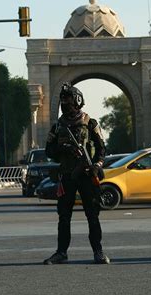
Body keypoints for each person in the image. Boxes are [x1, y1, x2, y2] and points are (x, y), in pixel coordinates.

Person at [43, 83, 109, 265]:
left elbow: (102, 149)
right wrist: (62, 149)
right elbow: (49, 151)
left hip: (87, 175)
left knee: (92, 215)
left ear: (78, 101)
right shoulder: (57, 127)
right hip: (67, 175)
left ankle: (98, 251)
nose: (65, 104)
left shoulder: (90, 123)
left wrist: (96, 165)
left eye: (69, 100)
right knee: (64, 216)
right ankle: (61, 252)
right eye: (63, 101)